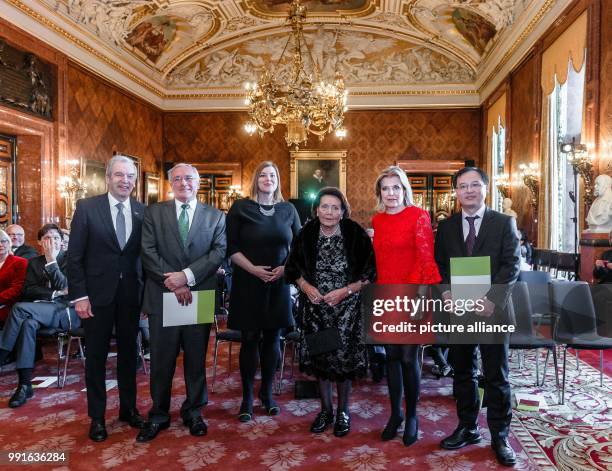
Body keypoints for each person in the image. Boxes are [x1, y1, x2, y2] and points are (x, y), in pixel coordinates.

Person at [434, 167, 520, 467]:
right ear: (456, 192)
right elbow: (440, 267)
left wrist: (491, 299)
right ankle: (468, 427)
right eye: (462, 186)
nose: (468, 191)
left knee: (496, 376)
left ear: (485, 188)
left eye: (474, 185)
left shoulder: (504, 222)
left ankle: (500, 435)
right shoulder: (445, 228)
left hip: (493, 312)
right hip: (459, 311)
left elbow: (511, 265)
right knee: (463, 373)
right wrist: (445, 292)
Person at [137, 163, 226, 443]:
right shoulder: (154, 212)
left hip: (198, 295)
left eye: (189, 178)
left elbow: (219, 251)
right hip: (163, 296)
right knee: (162, 361)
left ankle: (194, 412)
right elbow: (147, 252)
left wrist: (186, 277)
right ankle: (159, 415)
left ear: (198, 183)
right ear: (169, 184)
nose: (183, 183)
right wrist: (174, 283)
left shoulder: (215, 216)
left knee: (195, 360)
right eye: (177, 179)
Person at [67, 155, 146, 442]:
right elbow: (74, 257)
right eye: (120, 175)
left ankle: (128, 409)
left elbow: (144, 258)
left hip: (130, 297)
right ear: (108, 178)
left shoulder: (141, 211)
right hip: (95, 298)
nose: (125, 180)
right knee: (96, 359)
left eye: (130, 177)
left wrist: (146, 298)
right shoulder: (87, 208)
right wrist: (80, 296)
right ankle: (97, 417)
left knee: (129, 357)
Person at [285, 187, 375, 437]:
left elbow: (370, 274)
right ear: (316, 210)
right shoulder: (306, 234)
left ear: (343, 211)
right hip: (316, 310)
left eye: (335, 207)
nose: (329, 212)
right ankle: (325, 410)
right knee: (321, 360)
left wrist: (345, 291)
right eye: (324, 206)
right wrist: (306, 287)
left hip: (348, 311)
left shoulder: (355, 233)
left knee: (343, 363)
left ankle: (343, 412)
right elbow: (292, 269)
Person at [371, 165, 441, 446]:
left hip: (413, 296)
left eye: (395, 187)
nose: (391, 193)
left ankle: (412, 415)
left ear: (404, 190)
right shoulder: (377, 220)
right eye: (385, 188)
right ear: (380, 193)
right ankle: (395, 415)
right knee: (390, 359)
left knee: (410, 359)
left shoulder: (418, 216)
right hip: (385, 296)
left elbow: (426, 260)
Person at [226, 161, 301, 422]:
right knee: (249, 340)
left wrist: (284, 269)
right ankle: (247, 397)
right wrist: (253, 269)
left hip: (278, 284)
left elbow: (299, 247)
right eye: (263, 175)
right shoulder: (240, 208)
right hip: (248, 282)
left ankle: (267, 394)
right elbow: (231, 248)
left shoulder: (288, 209)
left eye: (273, 175)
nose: (268, 179)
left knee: (272, 340)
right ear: (256, 179)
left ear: (278, 180)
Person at [0, 224, 80, 407]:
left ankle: (2, 352)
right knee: (27, 323)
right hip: (38, 311)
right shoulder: (34, 262)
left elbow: (68, 289)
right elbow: (28, 291)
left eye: (56, 238)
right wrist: (54, 293)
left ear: (62, 242)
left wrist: (52, 262)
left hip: (65, 312)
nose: (52, 242)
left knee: (19, 309)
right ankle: (24, 385)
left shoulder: (72, 260)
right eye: (47, 239)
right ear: (39, 243)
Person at [0, 229, 28, 324]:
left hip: (9, 307)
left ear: (9, 243)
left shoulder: (20, 262)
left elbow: (17, 289)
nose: (1, 244)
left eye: (3, 241)